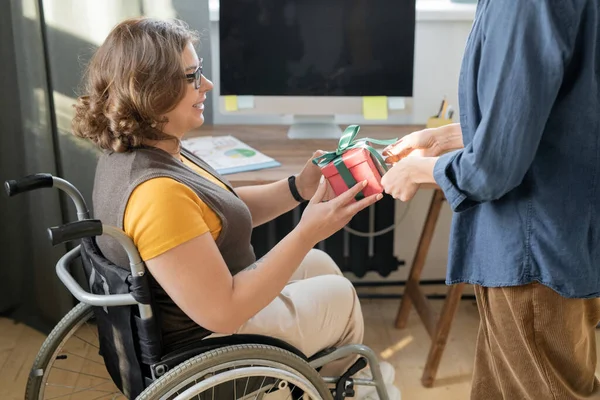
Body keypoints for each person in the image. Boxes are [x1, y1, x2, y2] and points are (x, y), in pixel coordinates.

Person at [71, 16, 383, 381]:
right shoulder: (157, 194)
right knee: (341, 295)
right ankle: (346, 385)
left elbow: (217, 212)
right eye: (191, 77)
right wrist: (307, 231)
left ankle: (329, 377)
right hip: (208, 339)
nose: (207, 84)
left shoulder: (147, 149)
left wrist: (299, 187)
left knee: (319, 264)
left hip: (205, 306)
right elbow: (224, 311)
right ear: (150, 92)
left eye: (198, 70)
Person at [381, 1, 600, 399]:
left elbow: (493, 166)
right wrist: (446, 137)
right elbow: (550, 113)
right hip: (562, 239)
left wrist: (419, 171)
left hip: (532, 251)